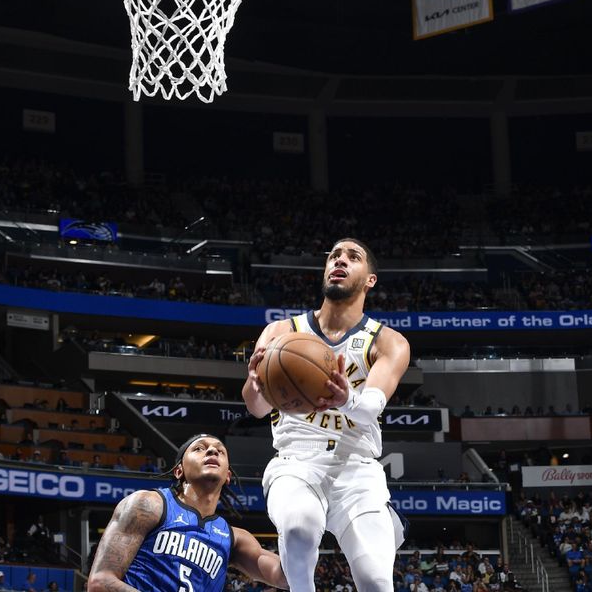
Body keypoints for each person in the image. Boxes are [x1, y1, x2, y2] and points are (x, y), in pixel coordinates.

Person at [242, 238, 411, 592]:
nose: (340, 260)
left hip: (357, 469)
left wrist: (346, 398)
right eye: (334, 255)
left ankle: (383, 517)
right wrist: (258, 384)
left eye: (353, 257)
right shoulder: (281, 333)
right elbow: (255, 409)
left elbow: (370, 409)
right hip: (296, 461)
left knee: (376, 581)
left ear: (370, 280)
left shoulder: (388, 341)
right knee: (300, 529)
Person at [87, 433, 288, 592]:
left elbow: (286, 577)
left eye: (220, 450)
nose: (211, 451)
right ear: (179, 470)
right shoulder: (148, 505)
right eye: (199, 448)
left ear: (228, 476)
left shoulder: (234, 538)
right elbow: (100, 583)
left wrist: (299, 523)